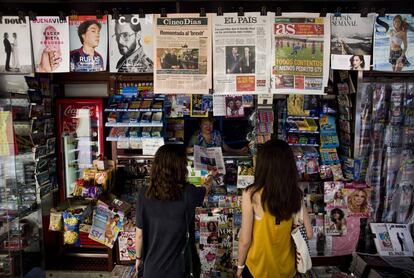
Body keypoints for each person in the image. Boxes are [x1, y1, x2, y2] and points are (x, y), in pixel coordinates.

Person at [134, 144, 217, 277]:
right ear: (180, 167)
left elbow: (139, 235)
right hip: (179, 270)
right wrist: (211, 175)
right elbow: (205, 188)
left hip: (152, 270)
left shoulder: (144, 194)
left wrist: (138, 259)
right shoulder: (188, 193)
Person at [236, 139, 313, 278]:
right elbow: (308, 233)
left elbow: (245, 240)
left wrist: (240, 267)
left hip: (258, 268)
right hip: (286, 269)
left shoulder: (252, 194)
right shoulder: (295, 193)